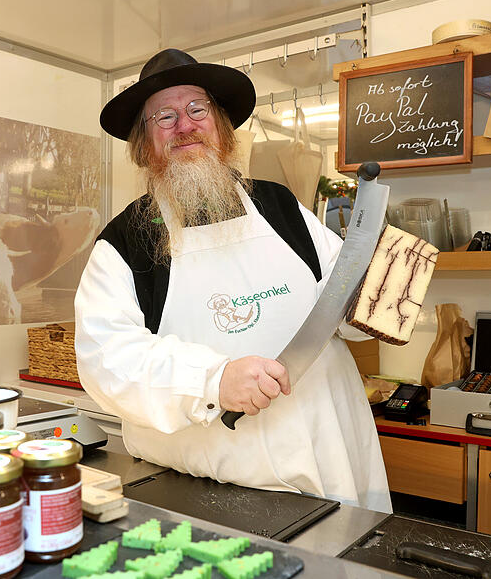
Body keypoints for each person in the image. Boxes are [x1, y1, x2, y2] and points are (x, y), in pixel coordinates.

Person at [74, 48, 391, 512]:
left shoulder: (281, 207)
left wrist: (381, 291)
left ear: (221, 126)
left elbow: (343, 305)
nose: (184, 126)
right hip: (216, 498)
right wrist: (212, 380)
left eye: (197, 109)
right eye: (164, 117)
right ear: (144, 145)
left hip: (331, 468)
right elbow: (106, 360)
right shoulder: (125, 243)